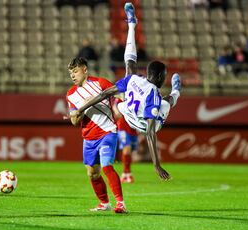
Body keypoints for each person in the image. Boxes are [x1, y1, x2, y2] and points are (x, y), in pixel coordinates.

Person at [70, 2, 181, 180]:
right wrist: (157, 165)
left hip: (127, 111)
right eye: (165, 75)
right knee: (167, 100)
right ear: (160, 77)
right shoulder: (153, 97)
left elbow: (104, 93)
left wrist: (81, 108)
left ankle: (131, 23)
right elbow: (151, 133)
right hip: (143, 124)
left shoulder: (134, 80)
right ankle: (177, 91)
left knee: (130, 67)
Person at [66, 57, 126, 213]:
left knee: (106, 165)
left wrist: (123, 103)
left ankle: (120, 203)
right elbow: (74, 120)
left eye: (75, 71)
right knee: (92, 174)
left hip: (108, 131)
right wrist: (83, 107)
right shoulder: (71, 94)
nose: (72, 75)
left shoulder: (101, 83)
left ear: (85, 70)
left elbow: (121, 96)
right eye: (70, 73)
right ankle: (104, 203)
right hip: (89, 138)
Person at [112, 97, 138, 183]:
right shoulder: (119, 99)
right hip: (122, 128)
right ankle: (126, 173)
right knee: (127, 149)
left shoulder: (136, 98)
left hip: (133, 129)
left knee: (131, 151)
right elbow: (116, 110)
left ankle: (126, 173)